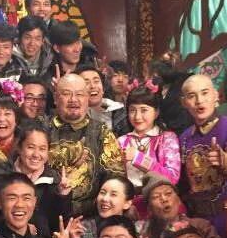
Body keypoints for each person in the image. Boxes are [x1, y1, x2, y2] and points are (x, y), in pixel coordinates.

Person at [178, 74, 227, 238]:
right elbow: (182, 183)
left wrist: (226, 161)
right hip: (198, 221)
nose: (199, 101)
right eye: (192, 96)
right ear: (184, 103)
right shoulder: (184, 138)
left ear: (216, 95)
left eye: (205, 93)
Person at [47, 73, 125, 215]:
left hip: (90, 216)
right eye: (66, 94)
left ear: (88, 98)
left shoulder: (101, 132)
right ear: (55, 98)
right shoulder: (42, 128)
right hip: (46, 212)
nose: (73, 99)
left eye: (80, 94)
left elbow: (116, 178)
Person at [0, 121, 72, 233]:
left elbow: (59, 225)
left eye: (42, 149)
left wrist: (63, 197)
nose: (36, 154)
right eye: (31, 147)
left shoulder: (55, 181)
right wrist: (19, 226)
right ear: (19, 148)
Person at [135, 173, 226, 238]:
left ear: (179, 200)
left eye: (168, 193)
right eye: (156, 197)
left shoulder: (200, 225)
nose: (164, 199)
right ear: (149, 209)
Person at [117, 84, 180, 194]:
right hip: (128, 200)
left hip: (157, 198)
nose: (137, 117)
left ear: (156, 113)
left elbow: (172, 177)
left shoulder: (167, 139)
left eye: (144, 110)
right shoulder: (121, 141)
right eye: (132, 110)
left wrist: (138, 158)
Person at [70, 173, 136, 238]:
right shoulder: (82, 228)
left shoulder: (134, 231)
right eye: (102, 192)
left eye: (113, 194)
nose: (105, 199)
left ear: (127, 203)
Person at [79, 64, 128, 137]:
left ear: (103, 88)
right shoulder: (73, 115)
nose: (92, 86)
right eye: (86, 83)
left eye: (96, 81)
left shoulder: (119, 112)